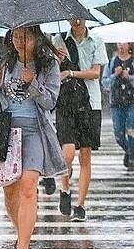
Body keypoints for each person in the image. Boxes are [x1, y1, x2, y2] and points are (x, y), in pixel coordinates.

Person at [0, 25, 66, 249]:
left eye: (25, 37)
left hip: (34, 131)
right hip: (6, 131)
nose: (19, 41)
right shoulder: (4, 61)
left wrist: (32, 83)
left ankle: (23, 248)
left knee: (29, 186)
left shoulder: (49, 64)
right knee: (10, 192)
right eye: (15, 37)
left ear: (36, 38)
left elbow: (50, 102)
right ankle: (21, 232)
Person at [52, 18, 109, 222]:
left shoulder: (96, 40)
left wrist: (71, 72)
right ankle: (65, 188)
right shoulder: (58, 39)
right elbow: (53, 73)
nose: (75, 20)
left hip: (89, 103)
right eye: (72, 16)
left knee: (85, 155)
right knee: (66, 154)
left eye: (79, 16)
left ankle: (81, 205)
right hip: (66, 104)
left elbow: (95, 73)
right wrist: (57, 60)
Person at [102, 42, 134, 170]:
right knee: (119, 135)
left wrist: (129, 77)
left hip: (131, 102)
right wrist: (115, 75)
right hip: (116, 103)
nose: (121, 46)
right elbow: (105, 83)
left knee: (131, 130)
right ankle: (129, 151)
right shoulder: (111, 62)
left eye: (124, 43)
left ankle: (132, 158)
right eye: (119, 43)